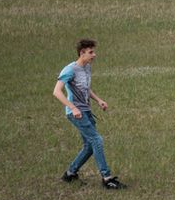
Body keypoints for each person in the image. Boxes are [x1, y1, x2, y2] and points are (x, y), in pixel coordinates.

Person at [53, 39, 124, 189]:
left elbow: (86, 89)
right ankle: (107, 178)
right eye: (91, 52)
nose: (94, 55)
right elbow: (56, 92)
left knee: (89, 146)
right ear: (82, 53)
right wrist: (73, 108)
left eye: (93, 51)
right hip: (76, 113)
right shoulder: (70, 70)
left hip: (86, 110)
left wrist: (99, 100)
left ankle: (70, 174)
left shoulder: (86, 68)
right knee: (97, 140)